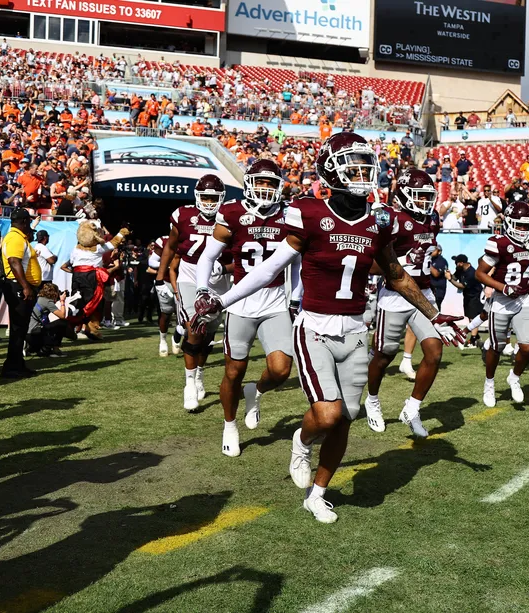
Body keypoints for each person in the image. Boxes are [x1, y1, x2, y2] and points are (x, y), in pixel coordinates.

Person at [191, 132, 463, 524]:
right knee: (328, 414)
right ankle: (300, 442)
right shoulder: (308, 212)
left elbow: (397, 274)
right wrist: (221, 299)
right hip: (314, 325)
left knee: (345, 417)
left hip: (355, 329)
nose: (362, 172)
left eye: (365, 164)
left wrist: (434, 315)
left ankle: (317, 494)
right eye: (352, 164)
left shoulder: (379, 220)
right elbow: (270, 268)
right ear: (330, 169)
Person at [195, 160, 296, 457]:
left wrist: (297, 299)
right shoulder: (233, 212)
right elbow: (207, 256)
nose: (265, 188)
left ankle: (257, 391)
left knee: (280, 370)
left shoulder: (290, 215)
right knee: (233, 371)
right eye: (260, 182)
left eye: (270, 182)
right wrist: (203, 288)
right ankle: (230, 424)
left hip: (275, 299)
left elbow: (298, 264)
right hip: (240, 302)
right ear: (249, 183)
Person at [365, 169, 444, 438]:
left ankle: (412, 408)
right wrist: (395, 268)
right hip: (395, 296)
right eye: (419, 196)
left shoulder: (432, 220)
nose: (425, 202)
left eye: (427, 197)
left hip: (424, 294)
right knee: (384, 356)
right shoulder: (394, 219)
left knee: (434, 351)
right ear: (405, 195)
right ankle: (372, 400)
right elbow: (375, 263)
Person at [155, 174, 230, 412]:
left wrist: (225, 268)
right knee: (193, 328)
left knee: (207, 334)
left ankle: (199, 373)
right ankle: (189, 383)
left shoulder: (230, 217)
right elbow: (171, 246)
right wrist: (160, 277)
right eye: (205, 197)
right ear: (197, 196)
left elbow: (238, 254)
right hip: (190, 275)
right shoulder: (184, 216)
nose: (209, 202)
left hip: (218, 280)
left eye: (213, 197)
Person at [475, 202, 529, 407]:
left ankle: (514, 377)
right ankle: (489, 383)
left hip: (523, 299)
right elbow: (480, 273)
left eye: (525, 226)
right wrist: (503, 287)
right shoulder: (498, 242)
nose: (522, 230)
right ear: (509, 223)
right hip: (501, 302)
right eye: (518, 225)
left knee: (527, 347)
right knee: (496, 347)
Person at [0, 208, 42, 378]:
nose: (30, 224)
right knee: (18, 328)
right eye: (29, 221)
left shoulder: (18, 237)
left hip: (20, 286)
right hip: (18, 287)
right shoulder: (15, 237)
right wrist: (25, 287)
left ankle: (17, 364)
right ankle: (11, 367)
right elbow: (14, 262)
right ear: (24, 221)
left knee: (21, 328)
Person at [149, 236, 181, 356]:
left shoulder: (191, 236)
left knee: (183, 315)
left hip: (185, 281)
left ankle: (176, 339)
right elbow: (151, 261)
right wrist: (168, 266)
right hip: (167, 281)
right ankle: (163, 340)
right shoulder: (163, 241)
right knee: (166, 313)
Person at [449, 253, 482, 344]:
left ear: (461, 263)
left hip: (475, 296)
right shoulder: (460, 270)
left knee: (473, 318)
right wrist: (449, 275)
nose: (455, 264)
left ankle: (473, 340)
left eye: (456, 262)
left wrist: (450, 280)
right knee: (469, 316)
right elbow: (455, 278)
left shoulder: (471, 273)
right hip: (467, 296)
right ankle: (476, 335)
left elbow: (462, 285)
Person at [429, 244, 449, 309]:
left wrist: (428, 264)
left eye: (434, 250)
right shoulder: (431, 259)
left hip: (437, 290)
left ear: (439, 251)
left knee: (435, 308)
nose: (431, 251)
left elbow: (436, 274)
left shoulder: (442, 261)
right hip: (429, 289)